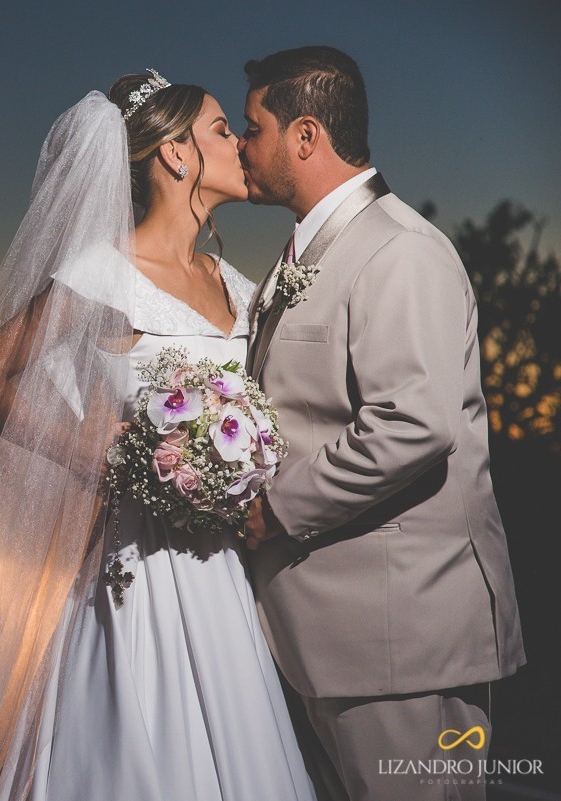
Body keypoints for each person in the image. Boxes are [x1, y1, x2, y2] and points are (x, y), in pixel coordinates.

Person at [0, 71, 317, 801]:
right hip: (135, 575)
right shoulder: (103, 272)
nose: (239, 145)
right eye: (219, 130)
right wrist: (99, 452)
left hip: (223, 581)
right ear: (176, 156)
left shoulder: (239, 285)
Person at [238, 45, 527, 801]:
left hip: (403, 640)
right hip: (336, 637)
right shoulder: (300, 257)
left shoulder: (400, 252)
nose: (242, 145)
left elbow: (414, 423)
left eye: (252, 127)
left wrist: (274, 508)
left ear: (305, 136)